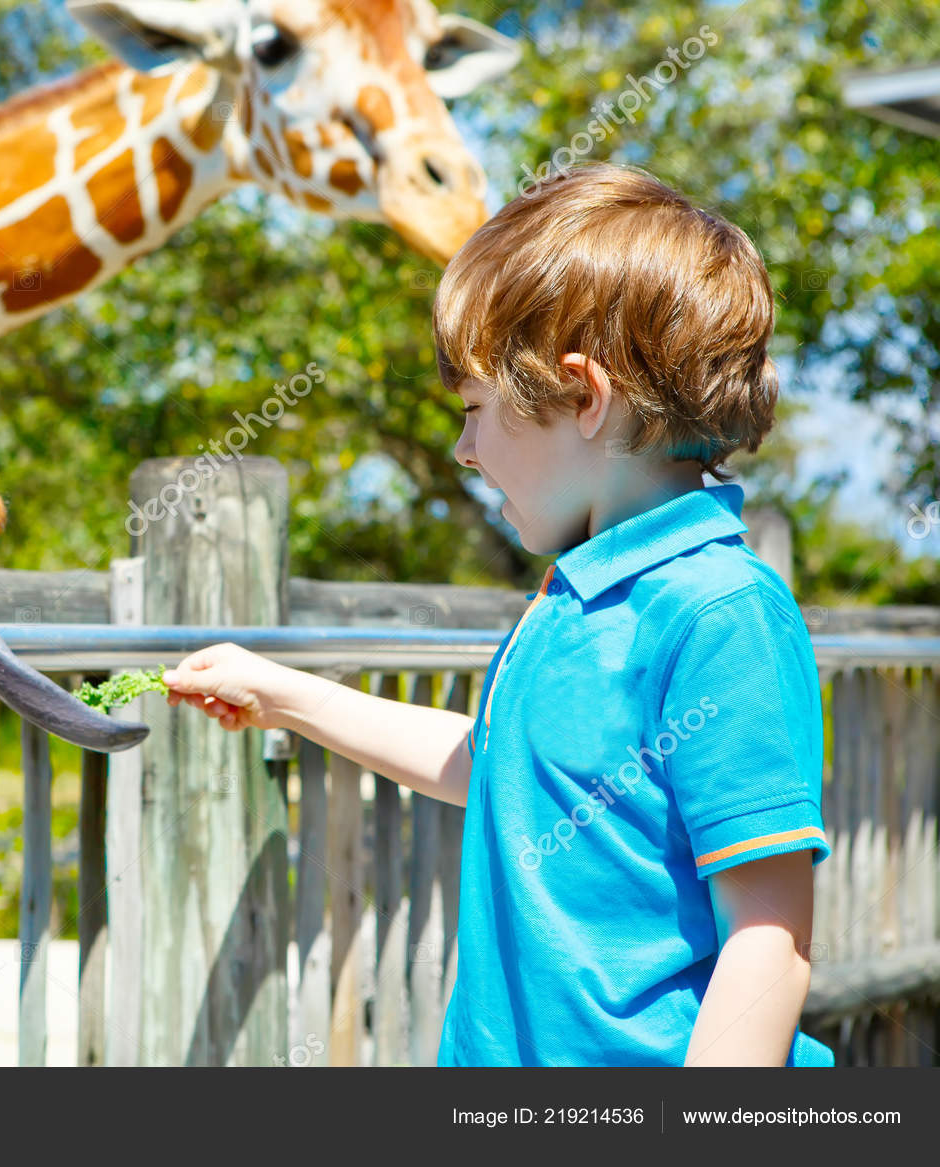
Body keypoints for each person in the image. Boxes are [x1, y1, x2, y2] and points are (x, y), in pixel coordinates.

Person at [160, 162, 833, 1067]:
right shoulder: (573, 596)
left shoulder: (722, 612)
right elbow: (499, 767)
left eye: (476, 409)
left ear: (585, 397)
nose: (464, 449)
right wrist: (282, 694)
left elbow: (770, 938)